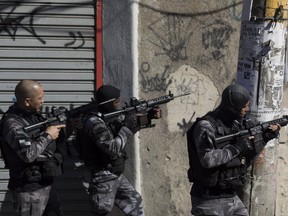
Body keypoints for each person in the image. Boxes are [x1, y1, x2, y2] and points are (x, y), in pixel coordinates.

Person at [187, 84, 281, 216]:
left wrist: (264, 139)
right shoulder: (206, 126)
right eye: (244, 106)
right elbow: (207, 159)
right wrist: (237, 147)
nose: (247, 109)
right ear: (233, 107)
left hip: (230, 196)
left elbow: (247, 159)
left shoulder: (236, 124)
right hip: (208, 199)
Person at [78, 84, 161, 216]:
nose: (119, 103)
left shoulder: (109, 115)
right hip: (102, 176)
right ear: (107, 103)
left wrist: (149, 116)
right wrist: (127, 126)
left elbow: (128, 124)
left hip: (115, 173)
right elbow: (113, 148)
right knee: (102, 212)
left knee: (135, 203)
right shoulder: (94, 122)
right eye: (116, 101)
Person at [0, 80, 66, 216]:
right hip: (28, 190)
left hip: (44, 183)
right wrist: (48, 134)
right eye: (40, 98)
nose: (43, 101)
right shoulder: (12, 124)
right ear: (27, 101)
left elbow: (49, 146)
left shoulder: (33, 116)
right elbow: (28, 154)